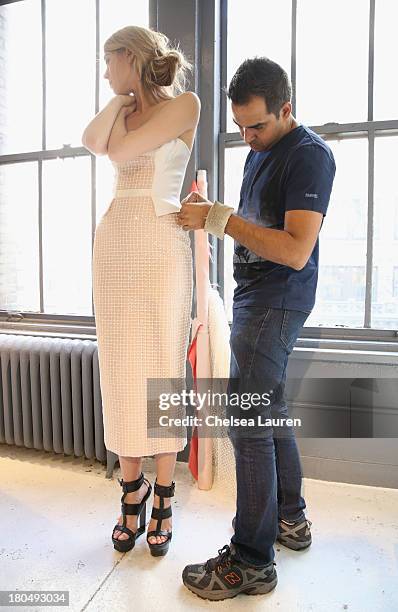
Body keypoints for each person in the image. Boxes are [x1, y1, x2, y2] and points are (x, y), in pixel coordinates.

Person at [176, 56, 336, 600]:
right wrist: (219, 221)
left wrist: (220, 220)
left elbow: (294, 251)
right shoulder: (260, 152)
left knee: (247, 420)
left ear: (286, 109)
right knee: (267, 410)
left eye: (258, 126)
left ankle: (252, 559)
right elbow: (255, 228)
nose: (248, 138)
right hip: (255, 298)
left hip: (278, 299)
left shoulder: (309, 156)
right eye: (240, 127)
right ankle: (290, 519)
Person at [82, 25, 200, 557]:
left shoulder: (184, 106)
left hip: (160, 244)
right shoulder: (120, 111)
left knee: (161, 370)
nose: (107, 73)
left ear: (131, 57)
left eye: (111, 63)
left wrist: (125, 106)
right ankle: (131, 494)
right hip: (115, 245)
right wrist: (118, 97)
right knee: (122, 370)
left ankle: (165, 497)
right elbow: (92, 141)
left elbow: (120, 148)